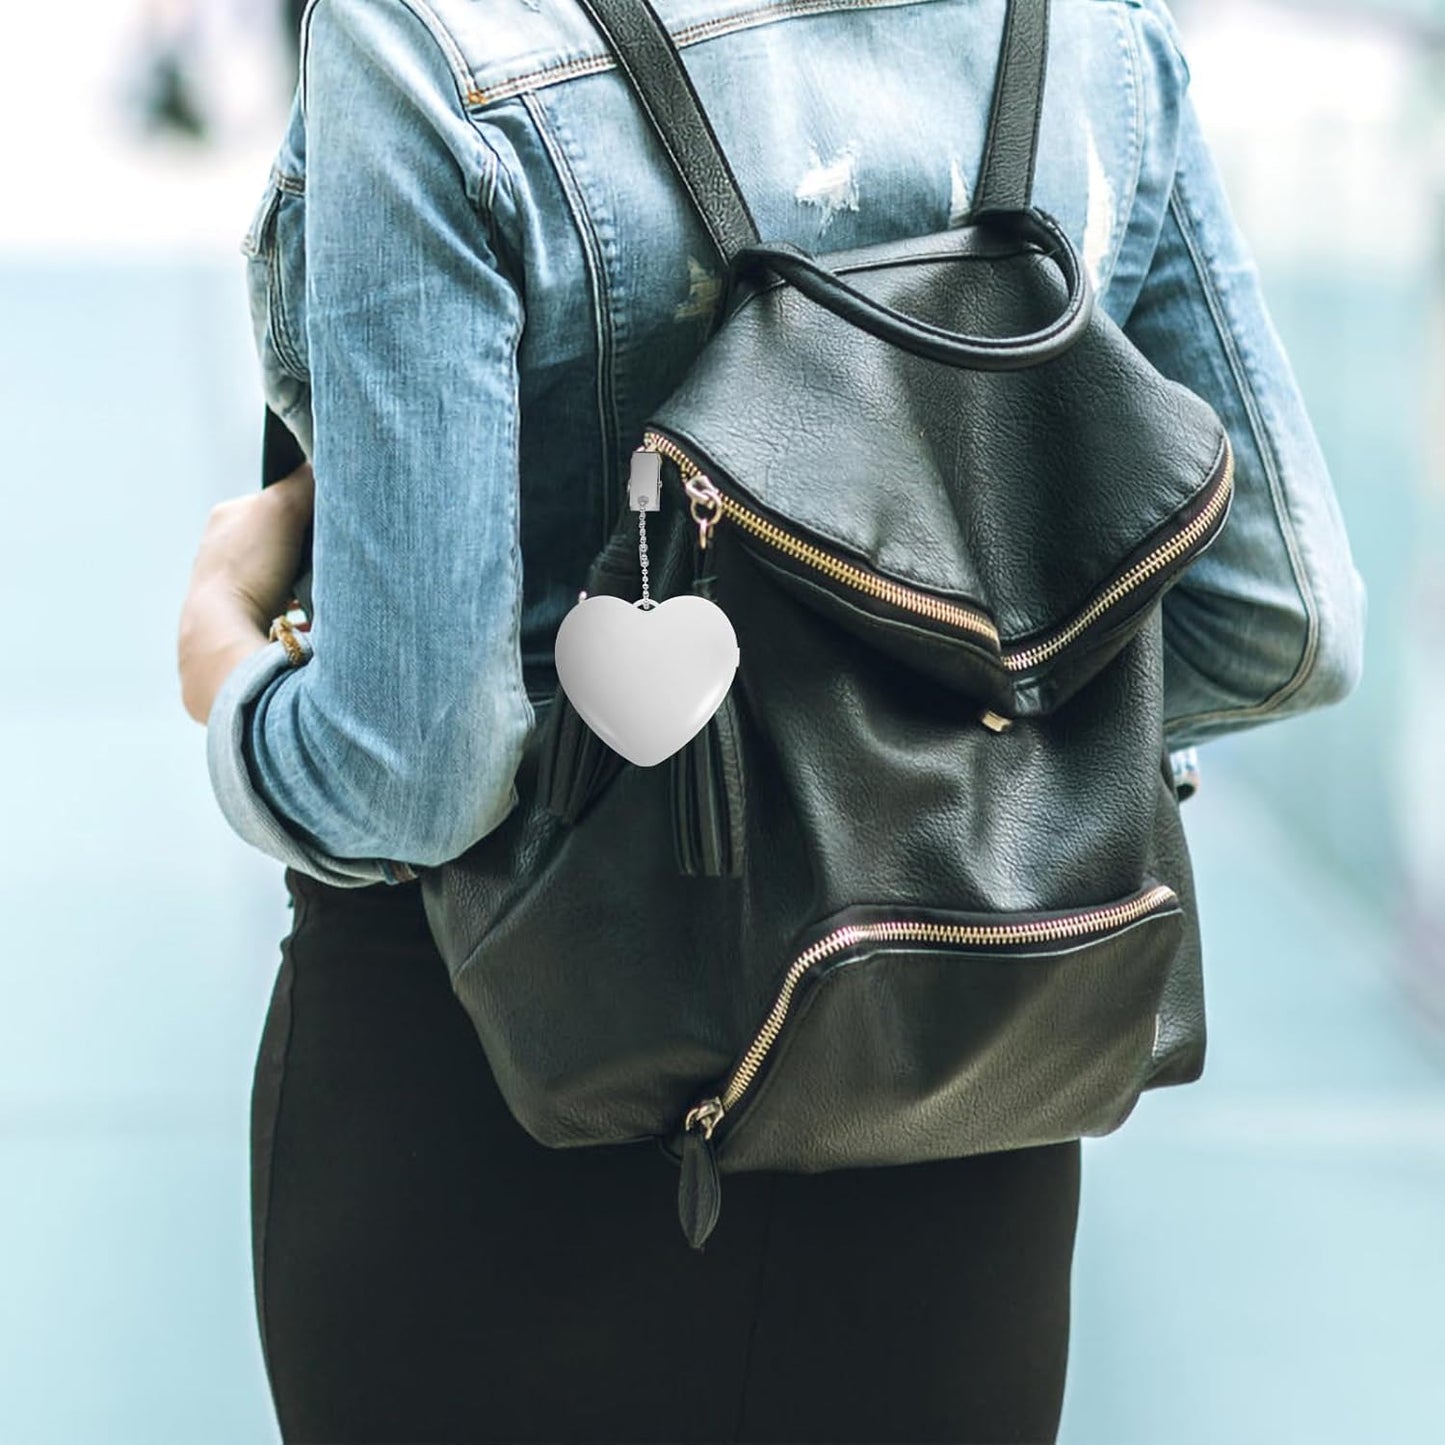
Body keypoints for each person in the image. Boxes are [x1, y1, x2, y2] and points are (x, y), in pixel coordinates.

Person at [175, 0, 1367, 1439]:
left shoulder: (427, 44)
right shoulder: (1087, 30)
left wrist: (231, 678)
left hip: (490, 1112)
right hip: (960, 1087)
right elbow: (1276, 621)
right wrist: (918, 733)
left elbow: (411, 773)